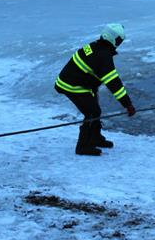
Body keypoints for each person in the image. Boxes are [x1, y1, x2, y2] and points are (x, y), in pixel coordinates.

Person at [55, 23, 136, 156]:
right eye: (119, 41)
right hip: (70, 85)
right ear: (113, 39)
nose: (119, 43)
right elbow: (114, 84)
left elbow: (91, 73)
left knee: (95, 110)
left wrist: (94, 89)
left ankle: (95, 138)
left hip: (78, 82)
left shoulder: (96, 47)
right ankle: (83, 146)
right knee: (92, 112)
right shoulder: (103, 56)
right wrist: (128, 105)